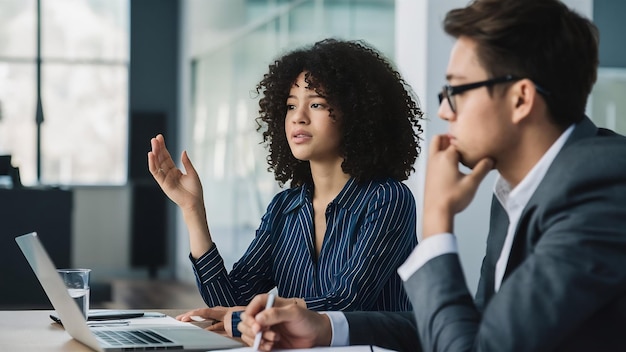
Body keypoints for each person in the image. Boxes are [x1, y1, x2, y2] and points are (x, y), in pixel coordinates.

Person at [237, 0, 626, 351]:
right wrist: (324, 327)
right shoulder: (516, 190)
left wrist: (438, 220)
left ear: (521, 99)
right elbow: (471, 326)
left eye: (457, 90)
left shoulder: (598, 187)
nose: (444, 112)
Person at [148, 39, 423, 336]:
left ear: (357, 114)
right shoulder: (284, 208)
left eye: (316, 104)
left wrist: (247, 319)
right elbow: (230, 301)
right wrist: (193, 211)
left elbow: (346, 303)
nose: (298, 117)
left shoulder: (388, 199)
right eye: (291, 105)